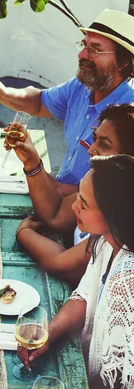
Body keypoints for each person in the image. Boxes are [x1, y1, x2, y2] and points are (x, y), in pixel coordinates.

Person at [18, 155, 134, 389]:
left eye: (83, 203)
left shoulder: (129, 277)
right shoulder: (108, 241)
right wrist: (49, 333)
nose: (74, 207)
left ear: (113, 213)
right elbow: (84, 295)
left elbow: (113, 378)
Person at [0, 9, 134, 196]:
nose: (82, 54)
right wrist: (1, 92)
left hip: (86, 210)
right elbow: (39, 102)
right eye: (84, 45)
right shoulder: (82, 86)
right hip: (58, 192)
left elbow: (115, 194)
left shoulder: (128, 115)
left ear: (124, 63)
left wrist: (37, 172)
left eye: (95, 49)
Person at [14, 104, 134, 285]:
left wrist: (24, 232)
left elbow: (62, 265)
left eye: (104, 143)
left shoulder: (121, 213)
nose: (91, 149)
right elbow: (56, 214)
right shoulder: (100, 186)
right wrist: (31, 162)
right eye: (95, 139)